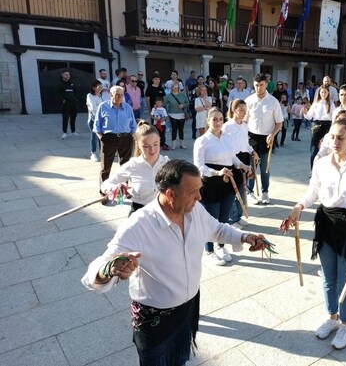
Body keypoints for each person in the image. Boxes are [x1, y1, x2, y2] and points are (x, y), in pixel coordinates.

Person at [81, 159, 267, 365]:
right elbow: (94, 274)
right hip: (154, 319)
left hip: (188, 307)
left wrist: (245, 237)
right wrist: (110, 269)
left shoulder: (194, 210)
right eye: (193, 191)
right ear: (171, 195)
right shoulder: (139, 225)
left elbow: (216, 229)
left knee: (180, 357)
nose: (199, 196)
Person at [284, 119, 346, 350]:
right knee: (328, 277)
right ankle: (332, 318)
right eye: (332, 136)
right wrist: (299, 207)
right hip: (326, 222)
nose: (335, 141)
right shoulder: (321, 163)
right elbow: (313, 191)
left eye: (340, 137)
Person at [194, 108, 252, 265]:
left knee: (224, 217)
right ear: (208, 121)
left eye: (220, 119)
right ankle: (209, 250)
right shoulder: (202, 141)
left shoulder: (227, 137)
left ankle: (221, 246)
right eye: (214, 119)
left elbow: (232, 157)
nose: (218, 122)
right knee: (211, 219)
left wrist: (243, 165)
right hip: (210, 183)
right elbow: (199, 167)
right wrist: (217, 172)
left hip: (228, 181)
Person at [101, 121, 170, 215]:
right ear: (138, 145)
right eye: (146, 146)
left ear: (160, 140)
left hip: (163, 211)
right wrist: (115, 188)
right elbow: (105, 185)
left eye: (155, 144)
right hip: (140, 212)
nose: (152, 150)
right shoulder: (133, 165)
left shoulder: (167, 163)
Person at [245, 73, 283, 205]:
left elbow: (279, 122)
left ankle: (265, 191)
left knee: (265, 167)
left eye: (261, 85)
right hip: (251, 137)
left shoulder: (273, 101)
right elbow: (244, 122)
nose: (258, 88)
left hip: (267, 138)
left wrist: (272, 135)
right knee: (251, 166)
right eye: (256, 85)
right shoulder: (248, 101)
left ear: (266, 84)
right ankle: (250, 191)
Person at [222, 99, 257, 229]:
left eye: (245, 110)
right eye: (241, 110)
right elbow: (224, 145)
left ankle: (238, 216)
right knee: (232, 190)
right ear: (234, 110)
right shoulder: (227, 126)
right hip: (232, 160)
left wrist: (253, 152)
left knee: (242, 189)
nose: (243, 113)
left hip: (244, 158)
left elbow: (246, 144)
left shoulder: (244, 126)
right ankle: (232, 219)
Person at [93, 86, 137, 189]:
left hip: (125, 138)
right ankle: (104, 190)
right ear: (110, 95)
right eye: (117, 94)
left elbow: (133, 125)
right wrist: (102, 138)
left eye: (121, 95)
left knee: (125, 166)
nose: (119, 97)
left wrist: (134, 137)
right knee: (106, 167)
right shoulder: (103, 106)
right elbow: (97, 126)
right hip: (109, 138)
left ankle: (124, 189)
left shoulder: (127, 107)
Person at [304, 84, 335, 169]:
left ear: (328, 93)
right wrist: (305, 112)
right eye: (322, 92)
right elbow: (309, 116)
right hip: (317, 126)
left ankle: (324, 168)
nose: (323, 94)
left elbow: (334, 117)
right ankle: (313, 169)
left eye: (325, 92)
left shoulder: (331, 104)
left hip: (327, 126)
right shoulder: (316, 103)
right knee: (314, 149)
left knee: (326, 148)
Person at [164, 83, 189, 150]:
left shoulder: (183, 95)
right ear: (171, 88)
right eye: (173, 86)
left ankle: (182, 143)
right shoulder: (168, 96)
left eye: (176, 86)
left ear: (178, 87)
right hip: (172, 114)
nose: (175, 88)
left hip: (182, 114)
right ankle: (173, 144)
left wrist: (183, 105)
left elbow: (187, 103)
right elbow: (164, 104)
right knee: (174, 129)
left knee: (181, 129)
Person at [57, 69, 79, 139]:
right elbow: (57, 93)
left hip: (73, 103)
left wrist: (76, 100)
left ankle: (73, 131)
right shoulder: (59, 84)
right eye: (66, 74)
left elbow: (76, 92)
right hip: (65, 103)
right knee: (65, 118)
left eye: (68, 75)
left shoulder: (72, 83)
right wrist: (62, 100)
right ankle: (64, 132)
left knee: (73, 117)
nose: (67, 76)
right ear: (62, 75)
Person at [86, 80, 103, 162]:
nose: (100, 88)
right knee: (94, 136)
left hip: (102, 119)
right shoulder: (90, 96)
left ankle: (102, 152)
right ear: (93, 88)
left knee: (102, 137)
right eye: (98, 87)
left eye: (101, 86)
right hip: (93, 119)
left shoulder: (101, 96)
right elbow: (93, 108)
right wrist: (100, 108)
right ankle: (93, 153)